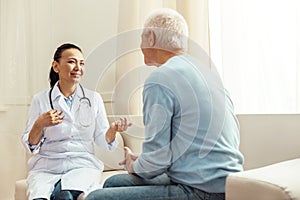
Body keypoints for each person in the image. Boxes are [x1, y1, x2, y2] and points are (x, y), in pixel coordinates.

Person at [86, 8, 244, 200]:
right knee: (113, 182)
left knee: (96, 198)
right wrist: (142, 161)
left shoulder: (160, 79)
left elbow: (157, 160)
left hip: (203, 191)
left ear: (150, 37)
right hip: (229, 184)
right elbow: (170, 152)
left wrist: (133, 166)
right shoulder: (206, 73)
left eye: (142, 37)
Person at [22, 43, 131, 200]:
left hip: (82, 164)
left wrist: (112, 130)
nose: (78, 67)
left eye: (81, 63)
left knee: (65, 195)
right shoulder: (40, 100)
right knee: (41, 197)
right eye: (72, 62)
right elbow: (31, 145)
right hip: (47, 166)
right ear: (56, 66)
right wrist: (39, 124)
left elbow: (102, 139)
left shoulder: (93, 98)